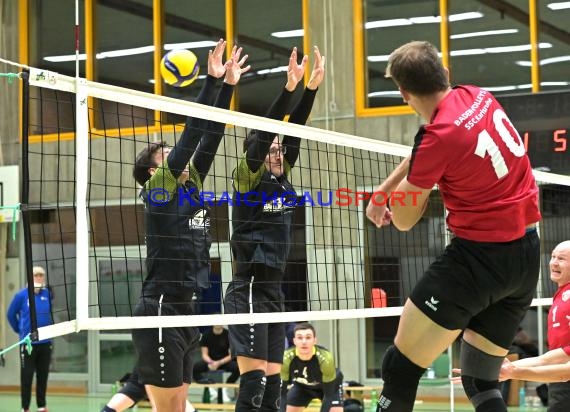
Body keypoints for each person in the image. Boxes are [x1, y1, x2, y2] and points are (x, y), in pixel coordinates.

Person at [365, 40, 541, 412]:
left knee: (399, 367)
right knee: (479, 379)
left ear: (403, 93)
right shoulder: (478, 95)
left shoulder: (437, 139)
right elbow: (430, 150)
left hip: (477, 260)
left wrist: (392, 201)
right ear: (445, 74)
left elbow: (404, 220)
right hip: (525, 257)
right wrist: (385, 188)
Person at [130, 39, 250, 412]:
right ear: (154, 171)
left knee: (180, 407)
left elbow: (211, 136)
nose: (177, 157)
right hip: (161, 309)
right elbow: (194, 133)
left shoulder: (191, 185)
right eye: (166, 156)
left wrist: (229, 85)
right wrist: (212, 83)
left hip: (188, 309)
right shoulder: (159, 191)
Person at [223, 45, 325, 412]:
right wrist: (287, 88)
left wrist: (309, 89)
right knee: (252, 384)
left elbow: (292, 131)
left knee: (271, 386)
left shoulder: (284, 181)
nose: (278, 152)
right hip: (248, 286)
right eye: (271, 149)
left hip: (273, 290)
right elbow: (267, 136)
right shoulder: (247, 177)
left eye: (281, 149)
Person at [7, 265, 53, 412]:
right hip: (28, 343)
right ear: (30, 278)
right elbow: (10, 314)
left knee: (43, 376)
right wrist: (19, 330)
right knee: (26, 377)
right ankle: (25, 408)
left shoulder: (47, 294)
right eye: (36, 275)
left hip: (45, 343)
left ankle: (41, 406)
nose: (39, 278)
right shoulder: (21, 295)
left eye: (41, 275)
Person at [280, 322, 344, 412]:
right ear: (294, 341)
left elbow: (328, 396)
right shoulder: (286, 358)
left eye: (308, 337)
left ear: (315, 340)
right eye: (299, 338)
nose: (304, 342)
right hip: (302, 386)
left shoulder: (325, 358)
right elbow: (282, 394)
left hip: (329, 386)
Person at [101, 367, 196, 412]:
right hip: (139, 382)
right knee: (111, 408)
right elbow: (149, 380)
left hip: (161, 384)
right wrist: (155, 405)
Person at [193, 325, 239, 402]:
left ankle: (224, 389)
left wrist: (219, 363)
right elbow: (204, 354)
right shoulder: (206, 335)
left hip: (224, 361)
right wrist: (211, 362)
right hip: (210, 361)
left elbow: (231, 355)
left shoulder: (228, 334)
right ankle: (211, 390)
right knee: (195, 368)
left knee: (238, 368)